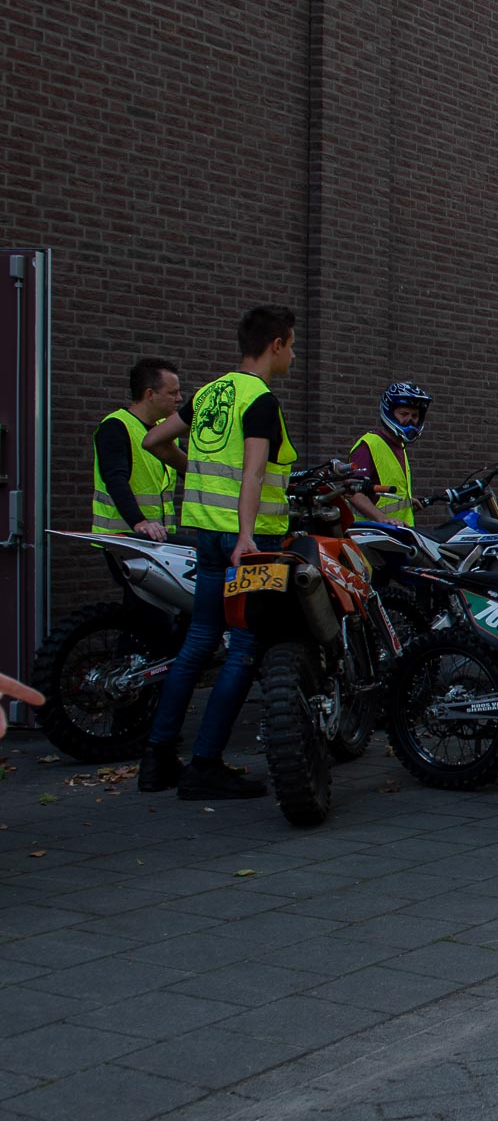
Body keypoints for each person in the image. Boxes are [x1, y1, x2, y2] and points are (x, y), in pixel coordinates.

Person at [137, 306, 300, 799]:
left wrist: (193, 470)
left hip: (204, 534)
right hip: (248, 543)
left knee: (198, 642)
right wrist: (247, 534)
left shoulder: (209, 392)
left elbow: (154, 439)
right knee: (245, 647)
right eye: (292, 346)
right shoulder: (261, 400)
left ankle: (157, 759)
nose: (293, 356)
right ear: (276, 345)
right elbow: (253, 471)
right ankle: (205, 765)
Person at [92, 357, 184, 539]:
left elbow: (190, 472)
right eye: (172, 393)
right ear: (150, 394)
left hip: (158, 537)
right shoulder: (115, 426)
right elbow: (115, 480)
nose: (179, 398)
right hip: (123, 538)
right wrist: (139, 523)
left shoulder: (166, 430)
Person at [347, 382, 432, 526]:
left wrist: (405, 504)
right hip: (371, 534)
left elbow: (384, 493)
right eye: (404, 414)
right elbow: (352, 491)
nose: (410, 420)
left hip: (397, 533)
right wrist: (382, 519)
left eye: (415, 416)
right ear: (390, 412)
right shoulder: (370, 444)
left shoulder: (399, 447)